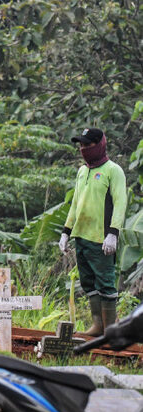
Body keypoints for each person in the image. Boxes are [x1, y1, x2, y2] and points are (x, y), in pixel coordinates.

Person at [59, 128, 127, 336]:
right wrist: (66, 231)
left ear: (99, 145)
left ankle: (110, 330)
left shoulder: (113, 170)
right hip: (82, 236)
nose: (83, 149)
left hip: (102, 238)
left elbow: (120, 202)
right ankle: (98, 326)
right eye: (81, 145)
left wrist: (113, 233)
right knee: (89, 282)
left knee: (105, 283)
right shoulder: (82, 171)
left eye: (88, 145)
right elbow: (75, 203)